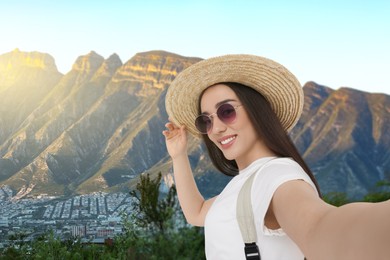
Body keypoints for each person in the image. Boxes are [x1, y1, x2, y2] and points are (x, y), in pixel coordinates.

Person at [162, 54, 390, 260]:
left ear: (256, 111)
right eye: (206, 121)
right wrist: (178, 155)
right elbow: (197, 213)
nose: (217, 128)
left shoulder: (277, 175)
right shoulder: (245, 183)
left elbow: (320, 227)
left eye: (227, 112)